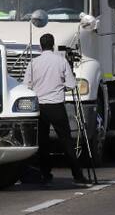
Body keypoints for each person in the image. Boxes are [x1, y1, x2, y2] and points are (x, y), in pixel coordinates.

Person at [23, 33, 89, 187]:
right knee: (66, 141)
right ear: (53, 45)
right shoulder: (61, 61)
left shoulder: (33, 63)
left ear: (40, 46)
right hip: (57, 106)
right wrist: (61, 86)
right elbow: (72, 85)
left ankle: (45, 174)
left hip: (40, 107)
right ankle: (77, 175)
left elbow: (27, 85)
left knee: (42, 142)